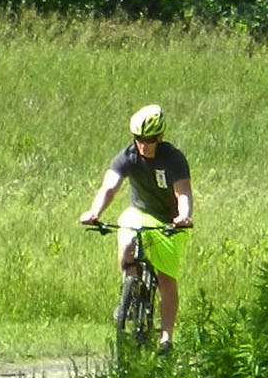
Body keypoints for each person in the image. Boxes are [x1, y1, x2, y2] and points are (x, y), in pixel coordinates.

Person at [79, 104, 193, 353]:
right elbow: (109, 187)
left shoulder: (173, 158)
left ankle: (166, 338)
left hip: (169, 222)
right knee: (127, 241)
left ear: (159, 137)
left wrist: (184, 216)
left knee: (166, 279)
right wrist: (95, 212)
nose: (144, 145)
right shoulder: (128, 156)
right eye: (139, 139)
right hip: (139, 213)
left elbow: (182, 192)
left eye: (149, 139)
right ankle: (128, 293)